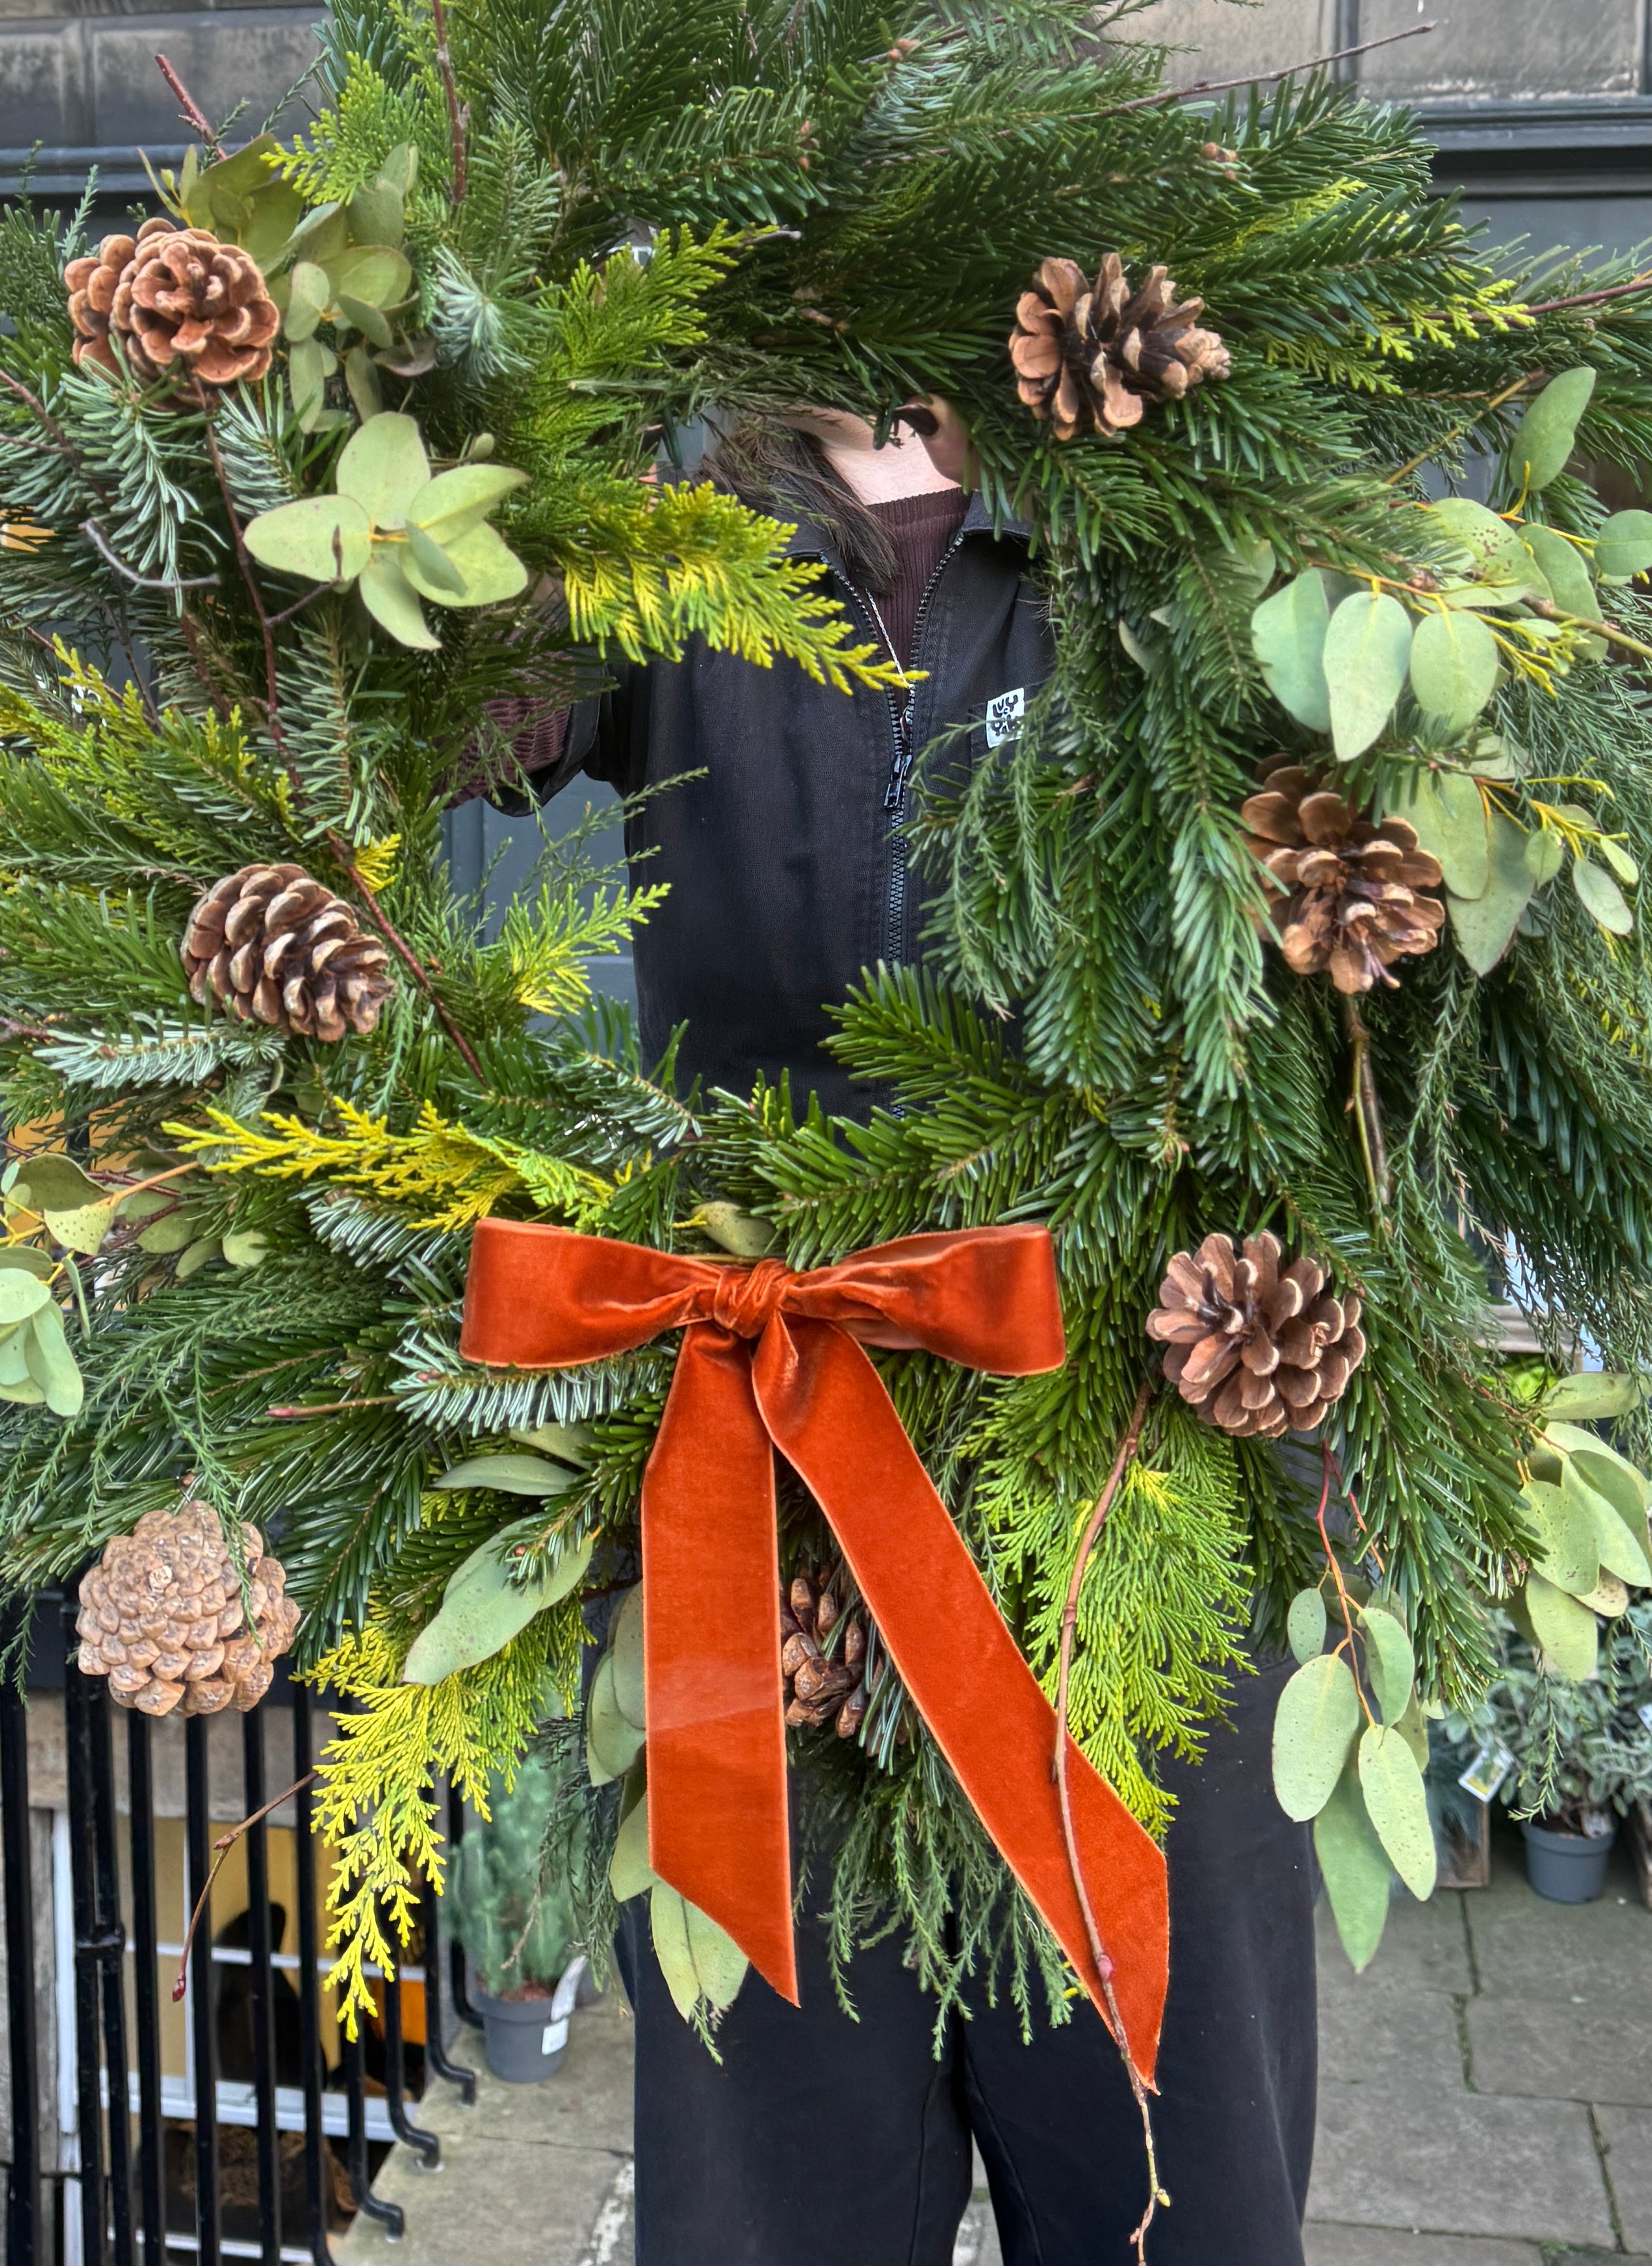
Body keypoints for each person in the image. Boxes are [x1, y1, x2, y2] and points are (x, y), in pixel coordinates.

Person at [509, 402, 1318, 2265]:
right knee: (764, 2195)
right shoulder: (663, 521)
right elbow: (412, 700)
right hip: (754, 1495)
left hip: (1143, 1484)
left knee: (1169, 2185)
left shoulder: (1174, 499)